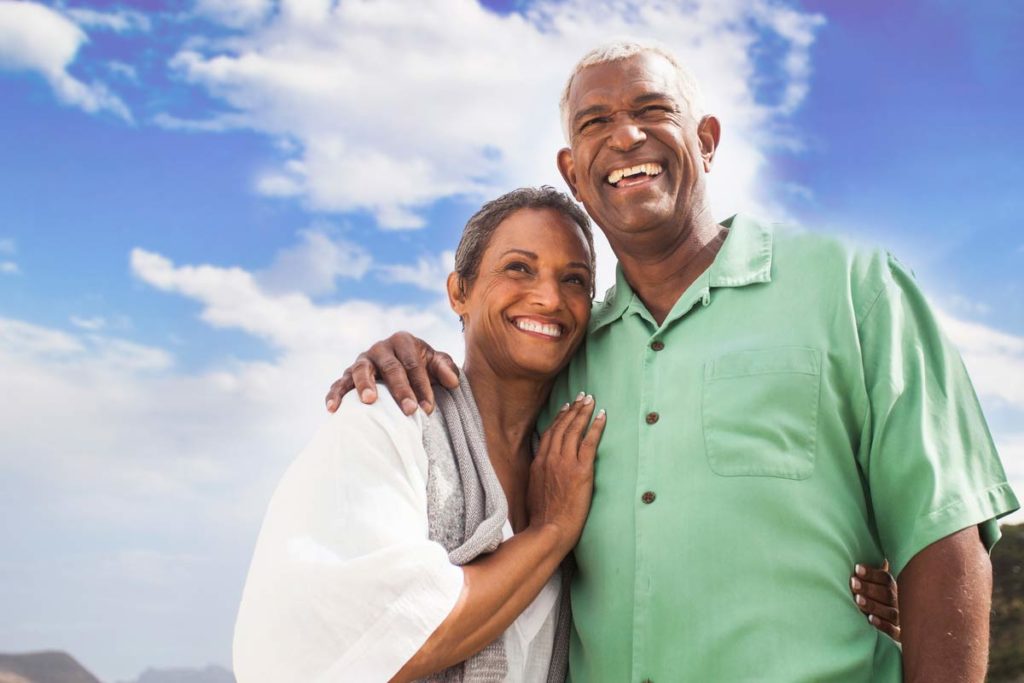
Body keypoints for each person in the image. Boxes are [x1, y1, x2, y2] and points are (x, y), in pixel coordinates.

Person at [325, 41, 1019, 681]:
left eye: (653, 110)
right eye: (595, 121)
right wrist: (403, 355)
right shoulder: (565, 359)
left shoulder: (853, 287)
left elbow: (943, 531)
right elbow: (485, 418)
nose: (625, 135)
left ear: (706, 141)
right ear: (574, 171)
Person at [233, 188, 899, 682]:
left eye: (575, 280)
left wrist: (847, 597)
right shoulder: (389, 421)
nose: (549, 299)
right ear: (459, 291)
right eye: (518, 269)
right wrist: (549, 533)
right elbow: (393, 636)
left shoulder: (584, 447)